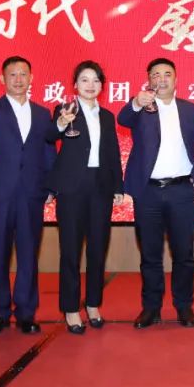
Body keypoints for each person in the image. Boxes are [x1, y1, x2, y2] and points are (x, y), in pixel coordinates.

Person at [0, 56, 58, 337]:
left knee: (29, 254)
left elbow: (48, 151)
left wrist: (50, 187)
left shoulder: (42, 113)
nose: (18, 79)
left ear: (31, 78)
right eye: (12, 74)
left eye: (23, 74)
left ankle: (26, 313)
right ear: (2, 79)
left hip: (32, 192)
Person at [118, 57, 194, 329]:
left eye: (167, 74)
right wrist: (136, 102)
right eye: (155, 75)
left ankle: (184, 306)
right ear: (149, 80)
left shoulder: (190, 109)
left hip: (181, 191)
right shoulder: (141, 108)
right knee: (150, 254)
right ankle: (151, 308)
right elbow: (122, 118)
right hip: (147, 192)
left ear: (176, 79)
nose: (161, 79)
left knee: (183, 253)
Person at [46, 60, 123, 335]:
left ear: (102, 86)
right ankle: (70, 308)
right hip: (71, 190)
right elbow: (49, 135)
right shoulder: (64, 110)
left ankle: (92, 304)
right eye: (84, 80)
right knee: (70, 251)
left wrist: (118, 186)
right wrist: (60, 123)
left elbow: (113, 153)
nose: (91, 85)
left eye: (96, 80)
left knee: (97, 250)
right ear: (75, 85)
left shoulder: (107, 116)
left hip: (100, 188)